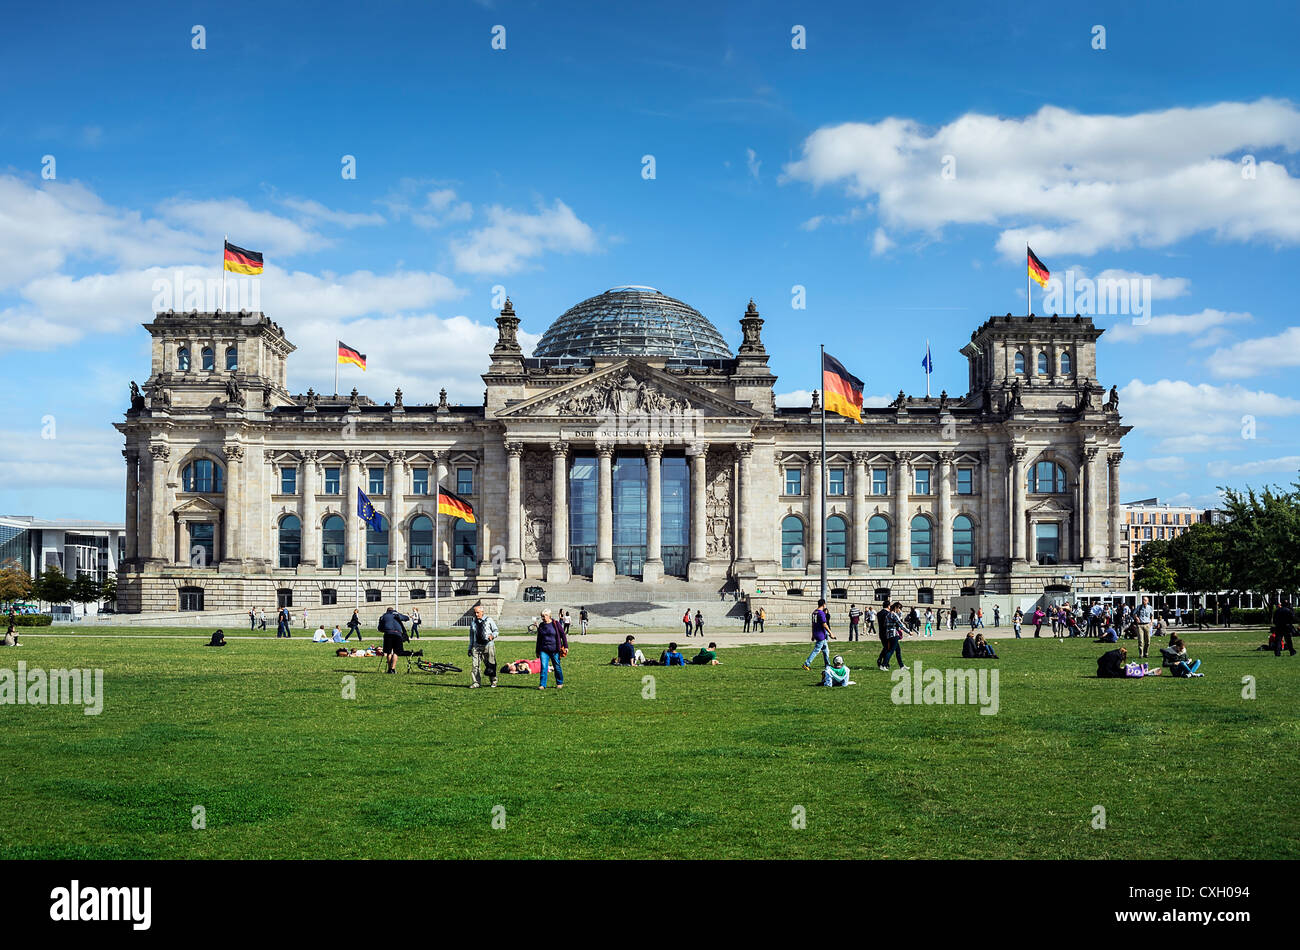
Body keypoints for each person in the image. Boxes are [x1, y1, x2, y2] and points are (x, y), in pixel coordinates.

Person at [467, 603, 499, 688]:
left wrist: (492, 636)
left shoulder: (489, 620)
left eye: (477, 612)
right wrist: (470, 648)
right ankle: (476, 682)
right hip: (476, 646)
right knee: (475, 665)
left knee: (490, 664)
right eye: (475, 613)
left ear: (482, 612)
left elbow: (496, 630)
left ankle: (493, 681)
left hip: (488, 645)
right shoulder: (473, 622)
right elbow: (471, 636)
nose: (476, 614)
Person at [535, 608, 567, 690]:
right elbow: (539, 639)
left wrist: (566, 646)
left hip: (555, 649)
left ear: (549, 615)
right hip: (544, 649)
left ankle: (559, 682)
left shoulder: (555, 624)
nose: (543, 617)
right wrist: (537, 650)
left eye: (545, 615)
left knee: (557, 666)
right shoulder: (541, 625)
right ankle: (542, 684)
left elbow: (563, 635)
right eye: (542, 616)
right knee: (543, 667)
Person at [378, 606, 413, 674]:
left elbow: (380, 628)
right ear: (393, 610)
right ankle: (393, 669)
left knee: (388, 652)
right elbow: (406, 618)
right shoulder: (396, 614)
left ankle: (389, 669)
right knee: (396, 652)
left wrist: (386, 630)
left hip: (388, 634)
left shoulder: (383, 616)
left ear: (387, 611)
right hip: (397, 635)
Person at [802, 598, 835, 670]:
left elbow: (813, 624)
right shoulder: (821, 613)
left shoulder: (814, 612)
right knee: (816, 650)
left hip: (817, 633)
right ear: (823, 604)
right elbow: (824, 624)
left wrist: (813, 635)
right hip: (821, 634)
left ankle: (828, 665)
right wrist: (831, 633)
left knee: (826, 650)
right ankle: (806, 664)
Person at [878, 602, 906, 671]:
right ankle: (884, 664)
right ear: (888, 606)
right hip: (890, 633)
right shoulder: (889, 614)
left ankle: (901, 665)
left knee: (889, 649)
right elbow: (896, 623)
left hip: (882, 633)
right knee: (889, 650)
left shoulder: (879, 613)